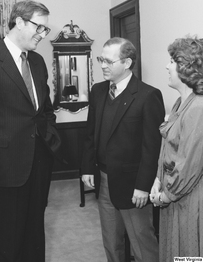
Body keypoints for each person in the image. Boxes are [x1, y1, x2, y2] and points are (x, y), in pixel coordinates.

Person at [0, 0, 61, 262]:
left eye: (46, 30)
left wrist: (51, 140)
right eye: (39, 28)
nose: (42, 35)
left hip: (39, 162)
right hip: (4, 167)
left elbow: (45, 110)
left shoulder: (38, 62)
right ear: (19, 22)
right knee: (10, 236)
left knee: (35, 233)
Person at [150, 36, 203, 260]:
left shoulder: (202, 107)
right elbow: (169, 150)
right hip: (177, 191)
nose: (167, 66)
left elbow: (188, 164)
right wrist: (158, 180)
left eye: (172, 60)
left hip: (195, 195)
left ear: (188, 68)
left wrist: (165, 197)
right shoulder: (182, 103)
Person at [81, 37, 165, 262]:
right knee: (112, 243)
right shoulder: (98, 91)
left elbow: (152, 148)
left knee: (142, 244)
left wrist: (143, 186)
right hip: (103, 179)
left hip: (132, 185)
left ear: (127, 63)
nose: (102, 65)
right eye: (101, 59)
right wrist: (87, 168)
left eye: (108, 61)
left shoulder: (148, 96)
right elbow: (90, 134)